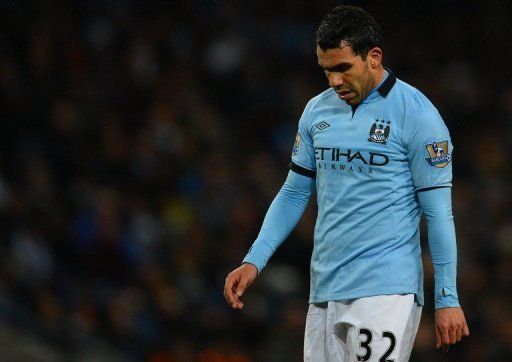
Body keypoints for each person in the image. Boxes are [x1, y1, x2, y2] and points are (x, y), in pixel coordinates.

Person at [223, 5, 469, 361]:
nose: (334, 81)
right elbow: (294, 192)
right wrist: (253, 260)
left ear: (373, 57)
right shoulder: (316, 112)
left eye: (342, 68)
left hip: (386, 289)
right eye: (326, 71)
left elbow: (439, 213)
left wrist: (447, 298)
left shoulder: (418, 115)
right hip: (324, 287)